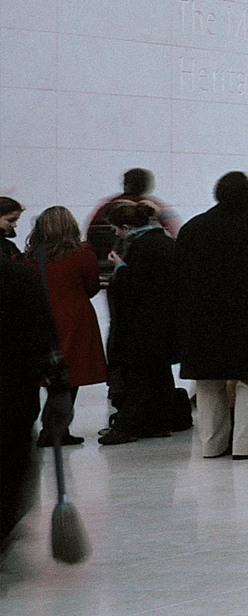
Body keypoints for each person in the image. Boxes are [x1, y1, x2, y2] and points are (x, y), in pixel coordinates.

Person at [174, 171, 248, 461]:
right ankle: (245, 445)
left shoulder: (195, 227)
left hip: (203, 317)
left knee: (208, 382)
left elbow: (179, 273)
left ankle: (212, 445)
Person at [98, 203, 180, 444]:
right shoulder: (164, 242)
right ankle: (157, 423)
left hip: (142, 326)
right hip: (161, 323)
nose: (115, 234)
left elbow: (136, 287)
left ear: (126, 227)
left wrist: (119, 268)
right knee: (159, 374)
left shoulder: (143, 247)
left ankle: (130, 425)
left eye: (116, 229)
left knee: (140, 377)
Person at [22, 207, 106, 442]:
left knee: (47, 373)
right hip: (76, 317)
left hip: (42, 316)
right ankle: (57, 429)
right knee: (71, 374)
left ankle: (50, 428)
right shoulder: (82, 253)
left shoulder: (29, 256)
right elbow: (91, 288)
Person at [0, 251, 59, 549]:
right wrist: (58, 385)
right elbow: (44, 336)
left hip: (12, 390)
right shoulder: (19, 277)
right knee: (12, 461)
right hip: (12, 391)